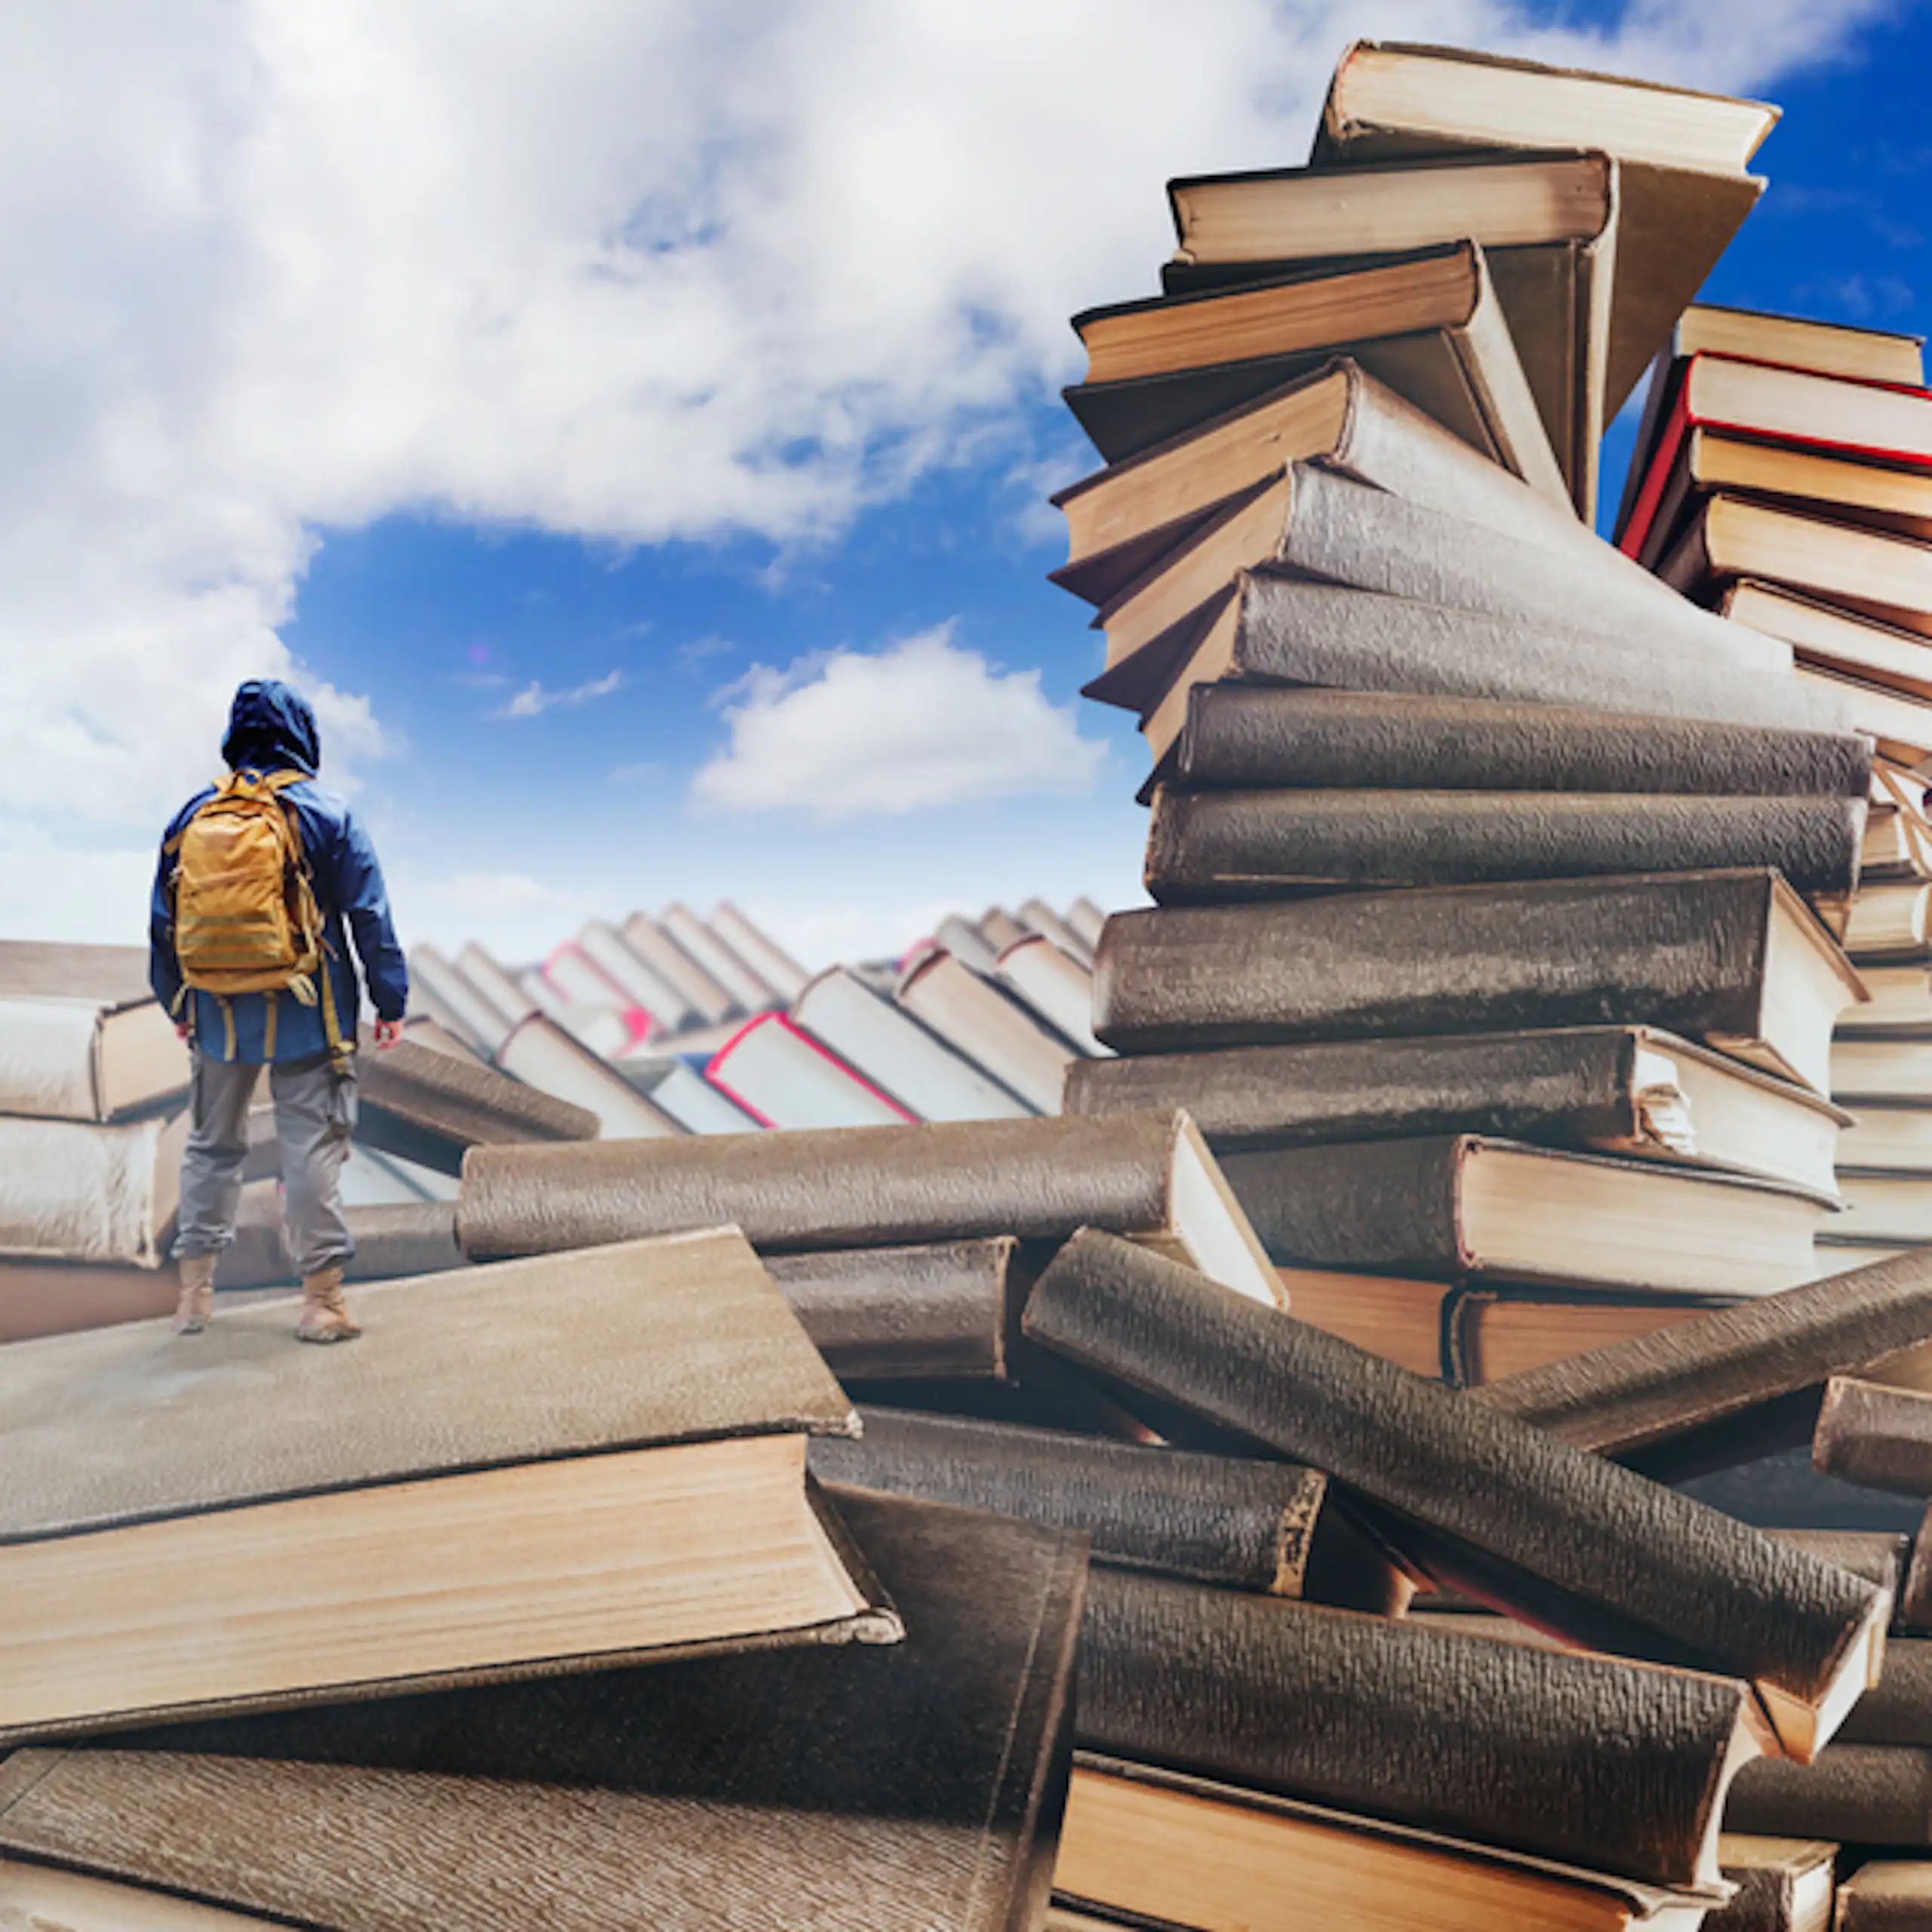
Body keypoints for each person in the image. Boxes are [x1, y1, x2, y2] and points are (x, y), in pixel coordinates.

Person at [149, 678, 408, 1342]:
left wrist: (176, 999)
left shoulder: (191, 816)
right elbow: (369, 918)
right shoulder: (328, 813)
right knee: (310, 1150)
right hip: (308, 1012)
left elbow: (163, 921)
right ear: (303, 734)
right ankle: (322, 1304)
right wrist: (389, 999)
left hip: (214, 1011)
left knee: (210, 1147)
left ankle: (193, 1300)